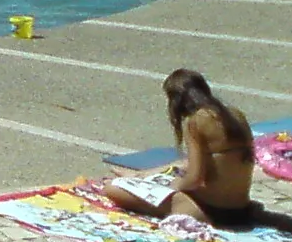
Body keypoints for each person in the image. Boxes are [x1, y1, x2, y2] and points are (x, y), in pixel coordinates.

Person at [104, 70, 256, 227]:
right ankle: (139, 176)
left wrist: (172, 185)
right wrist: (142, 175)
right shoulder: (235, 115)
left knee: (113, 188)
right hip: (241, 209)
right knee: (177, 169)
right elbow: (191, 163)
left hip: (212, 210)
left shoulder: (196, 121)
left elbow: (194, 179)